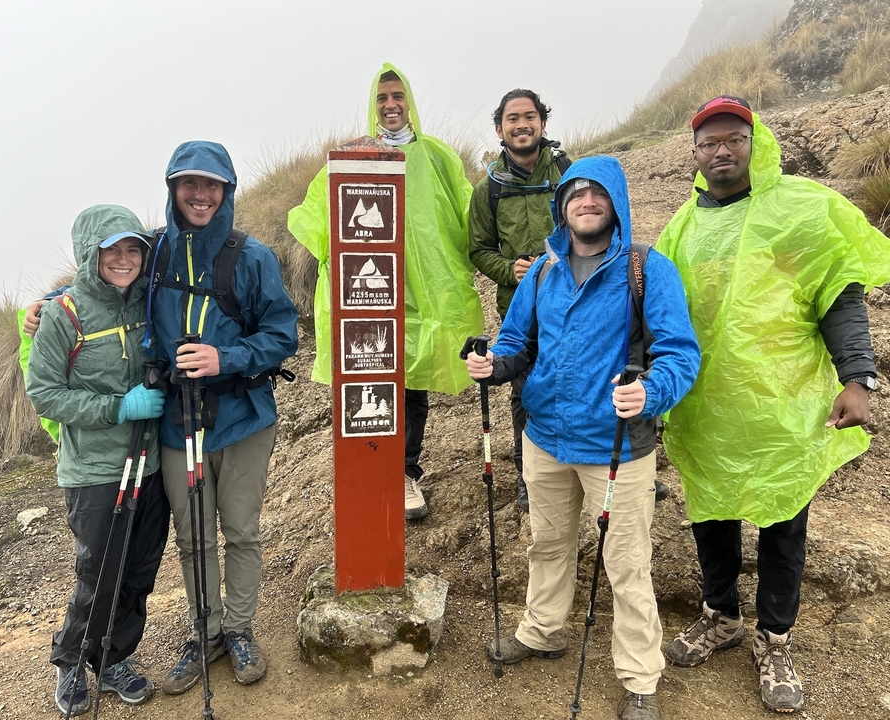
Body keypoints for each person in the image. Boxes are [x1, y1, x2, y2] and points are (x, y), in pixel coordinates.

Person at [656, 96, 890, 714]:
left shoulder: (796, 211)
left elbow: (838, 296)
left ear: (755, 143)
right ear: (696, 155)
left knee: (783, 521)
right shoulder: (682, 226)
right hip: (707, 405)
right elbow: (657, 313)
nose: (722, 151)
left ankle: (775, 635)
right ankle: (720, 614)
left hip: (785, 404)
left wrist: (858, 378)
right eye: (709, 143)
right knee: (711, 509)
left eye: (734, 138)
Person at [465, 156, 700, 720]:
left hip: (616, 448)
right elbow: (517, 338)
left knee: (625, 562)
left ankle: (640, 676)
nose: (587, 201)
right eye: (576, 194)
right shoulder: (545, 271)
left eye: (598, 192)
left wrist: (651, 391)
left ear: (615, 202)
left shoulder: (646, 269)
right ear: (562, 206)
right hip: (544, 436)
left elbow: (680, 353)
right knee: (546, 544)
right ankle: (543, 630)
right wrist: (492, 364)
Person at [289, 63, 484, 521]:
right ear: (372, 106)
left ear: (410, 101)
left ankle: (404, 472)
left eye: (397, 96)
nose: (391, 105)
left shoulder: (437, 156)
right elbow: (316, 217)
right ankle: (371, 469)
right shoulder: (354, 156)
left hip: (426, 295)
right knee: (372, 382)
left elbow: (470, 217)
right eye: (382, 98)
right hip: (370, 293)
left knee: (412, 384)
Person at [152, 141, 299, 695]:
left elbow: (283, 335)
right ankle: (204, 631)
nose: (200, 195)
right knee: (192, 539)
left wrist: (226, 358)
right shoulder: (154, 252)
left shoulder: (252, 256)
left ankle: (237, 629)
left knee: (239, 531)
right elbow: (106, 278)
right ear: (173, 189)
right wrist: (50, 305)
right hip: (177, 423)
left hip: (243, 419)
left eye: (211, 185)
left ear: (226, 192)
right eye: (189, 184)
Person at [26, 204, 170, 715]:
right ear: (92, 255)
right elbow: (44, 393)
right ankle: (70, 661)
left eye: (134, 249)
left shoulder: (146, 302)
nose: (125, 259)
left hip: (149, 463)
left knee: (139, 571)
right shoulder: (62, 315)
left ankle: (111, 659)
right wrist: (117, 407)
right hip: (93, 470)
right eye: (113, 250)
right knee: (99, 572)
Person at [468, 88, 570, 512]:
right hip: (520, 310)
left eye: (529, 116)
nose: (522, 124)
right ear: (499, 129)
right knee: (524, 388)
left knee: (582, 376)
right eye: (513, 118)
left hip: (572, 302)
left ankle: (600, 463)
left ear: (543, 124)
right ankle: (530, 475)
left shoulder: (570, 173)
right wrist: (509, 269)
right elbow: (478, 249)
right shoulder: (487, 188)